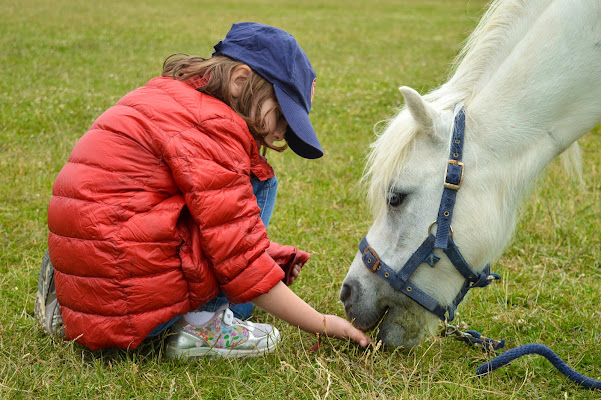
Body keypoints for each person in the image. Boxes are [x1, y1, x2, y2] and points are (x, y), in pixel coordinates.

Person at [34, 22, 371, 358]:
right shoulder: (214, 127)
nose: (280, 134)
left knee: (245, 303)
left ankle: (80, 304)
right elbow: (236, 255)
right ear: (240, 81)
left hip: (96, 286)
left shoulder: (165, 97)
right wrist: (322, 322)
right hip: (127, 298)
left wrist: (267, 257)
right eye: (281, 115)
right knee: (261, 182)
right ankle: (203, 325)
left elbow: (179, 216)